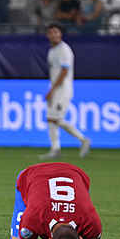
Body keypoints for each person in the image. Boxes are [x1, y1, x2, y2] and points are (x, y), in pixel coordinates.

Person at [9, 162, 102, 239]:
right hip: (32, 174)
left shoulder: (90, 219)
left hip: (75, 174)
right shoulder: (33, 215)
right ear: (80, 238)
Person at [41, 22, 91, 160]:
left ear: (60, 34)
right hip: (55, 89)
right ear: (48, 35)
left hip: (62, 89)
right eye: (52, 33)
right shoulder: (51, 51)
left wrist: (53, 89)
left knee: (55, 118)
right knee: (51, 119)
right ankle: (55, 148)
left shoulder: (64, 50)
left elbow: (64, 71)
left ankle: (83, 139)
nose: (55, 35)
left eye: (57, 32)